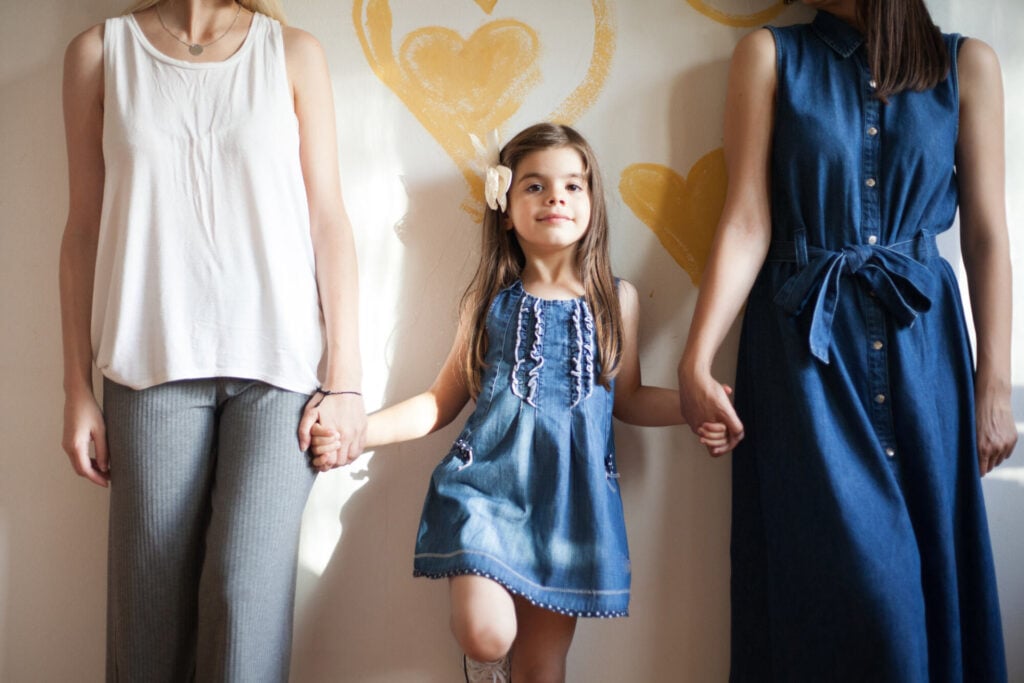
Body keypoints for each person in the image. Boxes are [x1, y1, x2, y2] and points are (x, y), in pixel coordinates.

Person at [311, 123, 727, 682]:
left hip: (570, 507)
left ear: (592, 203)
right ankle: (482, 666)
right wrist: (357, 431)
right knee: (490, 634)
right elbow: (440, 401)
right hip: (486, 493)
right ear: (505, 208)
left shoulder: (615, 299)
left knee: (541, 669)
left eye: (573, 186)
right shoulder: (488, 302)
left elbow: (626, 399)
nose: (555, 196)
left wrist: (697, 404)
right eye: (534, 186)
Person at [677, 0, 1015, 680]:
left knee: (929, 596)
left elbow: (985, 235)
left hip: (927, 360)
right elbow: (747, 218)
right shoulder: (769, 56)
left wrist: (994, 384)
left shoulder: (967, 64)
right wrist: (696, 356)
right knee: (845, 599)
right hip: (805, 359)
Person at [59, 1, 366, 680]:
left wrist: (346, 378)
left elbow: (329, 220)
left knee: (241, 600)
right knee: (148, 620)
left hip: (281, 372)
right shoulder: (99, 54)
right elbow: (82, 228)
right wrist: (76, 386)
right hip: (148, 364)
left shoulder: (291, 52)